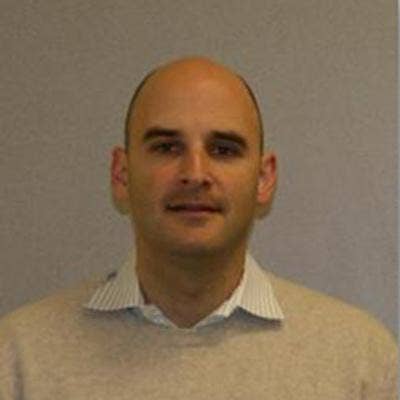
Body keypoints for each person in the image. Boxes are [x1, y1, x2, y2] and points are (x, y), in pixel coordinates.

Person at [0, 57, 397, 399]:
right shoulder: (19, 359)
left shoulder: (361, 362)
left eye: (223, 150)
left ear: (263, 179)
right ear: (122, 174)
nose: (194, 173)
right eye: (167, 147)